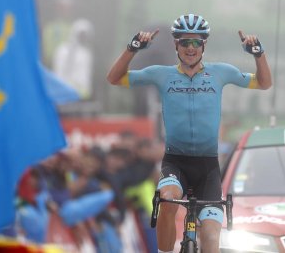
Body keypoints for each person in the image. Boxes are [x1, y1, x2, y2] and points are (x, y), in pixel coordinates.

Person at [106, 14, 272, 253]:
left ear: (204, 45)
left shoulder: (220, 72)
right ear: (176, 45)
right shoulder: (161, 74)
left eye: (196, 43)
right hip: (176, 162)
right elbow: (113, 78)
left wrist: (258, 54)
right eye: (185, 42)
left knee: (212, 238)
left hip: (208, 169)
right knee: (168, 200)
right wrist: (133, 49)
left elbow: (264, 83)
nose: (190, 48)